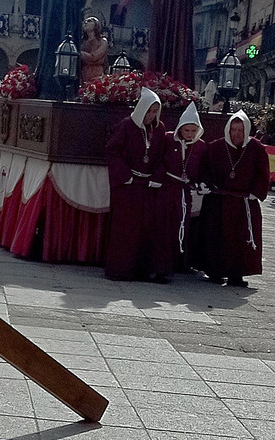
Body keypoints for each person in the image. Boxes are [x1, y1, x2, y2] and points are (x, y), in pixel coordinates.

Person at [197, 110, 270, 287]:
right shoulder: (215, 147)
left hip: (243, 203)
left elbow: (263, 174)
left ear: (246, 130)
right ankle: (215, 270)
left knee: (240, 238)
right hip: (218, 202)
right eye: (233, 130)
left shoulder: (257, 149)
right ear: (228, 130)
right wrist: (205, 184)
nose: (236, 134)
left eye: (240, 130)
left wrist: (256, 191)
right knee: (216, 236)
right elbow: (204, 170)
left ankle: (236, 273)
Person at [105, 87, 167, 282]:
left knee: (148, 228)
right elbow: (113, 151)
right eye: (149, 111)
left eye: (155, 111)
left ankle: (143, 269)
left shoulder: (159, 129)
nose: (151, 115)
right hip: (129, 186)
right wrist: (125, 176)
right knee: (125, 228)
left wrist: (156, 177)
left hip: (148, 187)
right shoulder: (126, 126)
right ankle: (120, 269)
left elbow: (164, 156)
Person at [155, 102, 207, 273]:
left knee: (183, 225)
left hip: (185, 191)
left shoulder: (200, 146)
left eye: (193, 131)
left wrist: (200, 182)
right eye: (187, 130)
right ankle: (162, 263)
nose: (190, 134)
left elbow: (202, 168)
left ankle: (180, 260)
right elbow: (160, 159)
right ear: (180, 129)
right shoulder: (169, 139)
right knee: (165, 226)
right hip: (168, 189)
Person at [35, 0, 88, 99]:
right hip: (70, 23)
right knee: (69, 54)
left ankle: (45, 86)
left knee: (48, 53)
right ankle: (67, 90)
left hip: (49, 25)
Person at [79, 16, 109, 83]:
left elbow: (94, 57)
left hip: (97, 73)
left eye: (89, 21)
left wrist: (79, 53)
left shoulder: (103, 41)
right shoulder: (82, 41)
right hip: (83, 73)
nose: (86, 23)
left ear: (96, 25)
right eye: (85, 22)